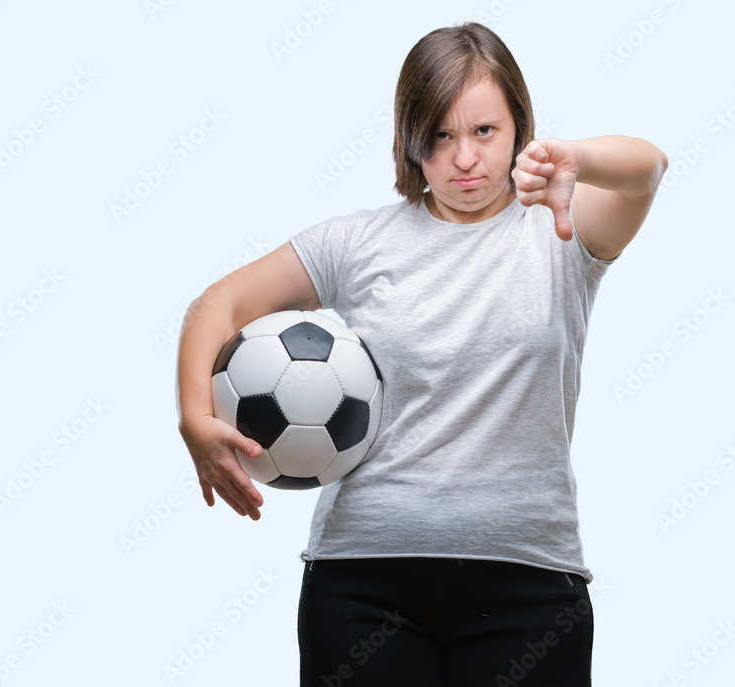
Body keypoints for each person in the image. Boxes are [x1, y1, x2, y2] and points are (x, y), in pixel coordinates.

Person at [177, 21, 667, 686]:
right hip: (363, 586)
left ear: (521, 127)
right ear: (409, 140)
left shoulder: (562, 230)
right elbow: (218, 306)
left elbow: (648, 169)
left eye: (484, 132)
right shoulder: (356, 243)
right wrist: (193, 417)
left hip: (529, 586)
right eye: (439, 134)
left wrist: (576, 157)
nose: (463, 156)